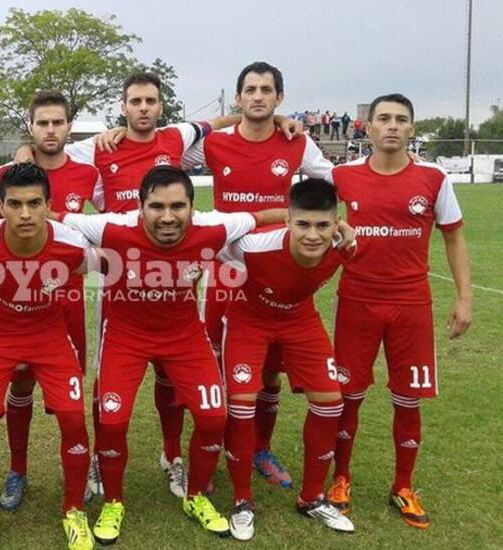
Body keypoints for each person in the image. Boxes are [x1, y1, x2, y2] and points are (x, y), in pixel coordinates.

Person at [61, 72, 302, 499]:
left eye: (151, 100)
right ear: (123, 106)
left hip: (175, 268)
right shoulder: (99, 146)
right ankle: (103, 454)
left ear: (160, 106)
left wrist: (276, 117)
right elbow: (51, 151)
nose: (143, 108)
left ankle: (172, 455)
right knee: (108, 378)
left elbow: (219, 123)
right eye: (135, 101)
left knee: (170, 372)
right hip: (121, 269)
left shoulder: (176, 137)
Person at [59, 166, 284, 544]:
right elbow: (52, 217)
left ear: (193, 209)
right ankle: (114, 501)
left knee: (214, 417)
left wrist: (306, 219)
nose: (167, 217)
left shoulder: (214, 229)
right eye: (156, 207)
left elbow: (262, 217)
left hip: (184, 336)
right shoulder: (111, 227)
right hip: (125, 336)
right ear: (140, 207)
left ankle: (196, 495)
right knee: (112, 423)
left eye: (178, 206)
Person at [181, 60, 334, 489]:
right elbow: (163, 151)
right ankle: (212, 449)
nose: (258, 97)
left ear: (280, 97)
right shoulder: (217, 145)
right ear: (239, 97)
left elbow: (338, 179)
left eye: (267, 90)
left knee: (269, 370)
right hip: (225, 272)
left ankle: (259, 448)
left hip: (278, 272)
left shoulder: (296, 145)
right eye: (250, 90)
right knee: (211, 365)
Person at [326, 93, 471, 529]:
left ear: (412, 129)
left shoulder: (434, 177)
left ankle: (403, 486)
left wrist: (464, 298)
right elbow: (311, 217)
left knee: (408, 398)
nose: (391, 125)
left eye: (400, 120)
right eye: (383, 118)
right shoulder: (340, 175)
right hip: (356, 299)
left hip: (411, 304)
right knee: (347, 395)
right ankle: (341, 479)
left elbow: (453, 238)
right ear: (367, 128)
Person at [0, 163, 94, 550]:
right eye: (14, 204)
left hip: (49, 337)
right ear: (2, 206)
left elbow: (85, 267)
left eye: (34, 203)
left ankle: (74, 509)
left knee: (73, 419)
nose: (25, 214)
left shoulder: (73, 244)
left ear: (49, 204)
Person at [218, 179, 356, 540]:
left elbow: (351, 245)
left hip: (300, 320)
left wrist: (346, 235)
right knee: (242, 405)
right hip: (249, 320)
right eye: (303, 225)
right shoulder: (252, 246)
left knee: (330, 402)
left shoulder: (344, 244)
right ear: (288, 221)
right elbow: (210, 238)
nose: (313, 235)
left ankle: (311, 498)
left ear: (336, 223)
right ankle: (242, 501)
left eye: (323, 225)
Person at [0, 91, 103, 511]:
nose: (51, 130)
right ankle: (17, 470)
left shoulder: (87, 173)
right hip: (19, 304)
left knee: (70, 397)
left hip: (68, 305)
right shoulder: (8, 171)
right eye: (43, 123)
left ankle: (80, 466)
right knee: (20, 387)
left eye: (58, 123)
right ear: (31, 126)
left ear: (69, 126)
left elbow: (106, 223)